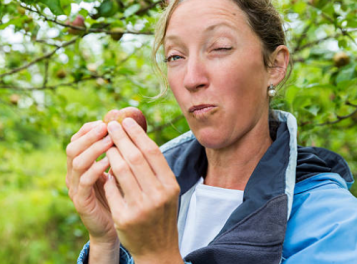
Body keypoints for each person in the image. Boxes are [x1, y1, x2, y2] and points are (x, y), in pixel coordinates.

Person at [65, 0, 357, 263]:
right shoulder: (150, 197)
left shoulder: (335, 225)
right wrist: (106, 241)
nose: (192, 79)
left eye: (219, 48)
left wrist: (157, 256)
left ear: (275, 65)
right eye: (175, 57)